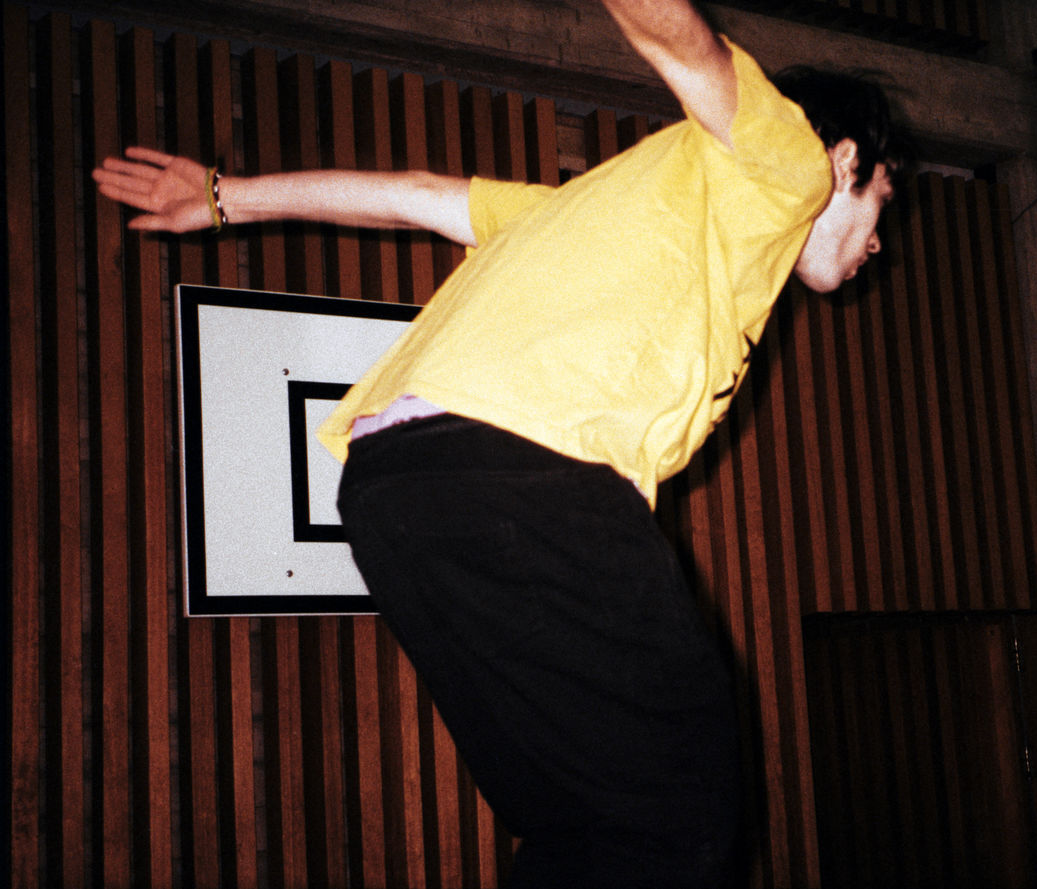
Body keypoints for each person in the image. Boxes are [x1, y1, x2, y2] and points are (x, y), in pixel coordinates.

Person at [94, 1, 907, 884]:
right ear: (846, 161)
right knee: (681, 801)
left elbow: (417, 196)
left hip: (393, 487)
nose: (877, 245)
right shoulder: (791, 163)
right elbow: (682, 42)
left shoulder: (586, 211)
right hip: (527, 475)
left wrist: (224, 198)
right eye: (882, 203)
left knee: (589, 823)